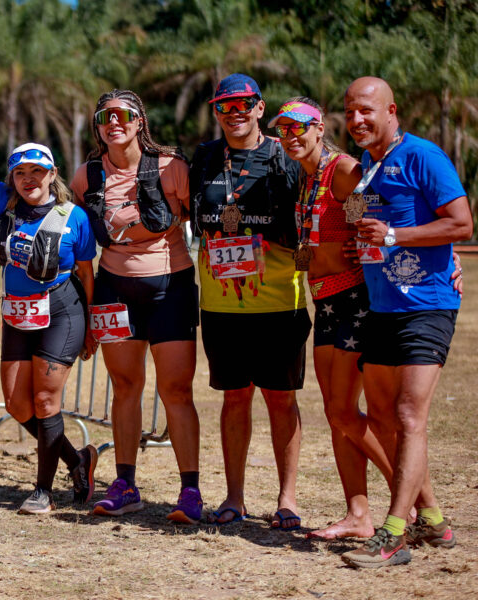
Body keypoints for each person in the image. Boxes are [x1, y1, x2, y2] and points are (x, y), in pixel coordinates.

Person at [340, 77, 471, 569]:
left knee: (410, 416)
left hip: (427, 305)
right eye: (350, 112)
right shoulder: (366, 166)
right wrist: (362, 241)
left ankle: (394, 534)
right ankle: (432, 518)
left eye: (366, 110)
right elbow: (365, 224)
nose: (357, 120)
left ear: (391, 111)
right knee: (382, 419)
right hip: (383, 308)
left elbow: (462, 223)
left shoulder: (423, 156)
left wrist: (395, 235)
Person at [72, 90, 204, 523]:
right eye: (105, 117)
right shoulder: (87, 176)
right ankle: (125, 484)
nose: (114, 123)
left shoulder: (171, 167)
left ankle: (190, 491)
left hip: (170, 288)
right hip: (114, 289)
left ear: (139, 121)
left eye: (123, 115)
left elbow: (200, 216)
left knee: (176, 391)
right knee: (125, 387)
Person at [269, 97, 398, 540]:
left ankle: (415, 500)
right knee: (335, 413)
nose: (291, 136)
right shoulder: (305, 180)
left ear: (320, 128)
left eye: (299, 127)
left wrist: (364, 240)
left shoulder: (342, 170)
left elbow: (380, 208)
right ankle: (358, 514)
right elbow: (316, 239)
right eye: (284, 129)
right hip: (323, 301)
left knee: (343, 411)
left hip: (354, 299)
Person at [189, 74, 308, 528]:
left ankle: (287, 499)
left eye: (244, 104)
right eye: (225, 106)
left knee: (281, 400)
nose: (234, 112)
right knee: (234, 398)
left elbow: (336, 195)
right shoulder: (203, 158)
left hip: (279, 302)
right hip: (220, 305)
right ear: (216, 112)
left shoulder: (286, 155)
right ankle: (234, 497)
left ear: (260, 108)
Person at [0, 143, 97, 514]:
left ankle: (43, 492)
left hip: (62, 311)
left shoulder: (73, 216)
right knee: (17, 403)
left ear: (52, 174)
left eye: (37, 171)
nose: (29, 179)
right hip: (18, 314)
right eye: (20, 173)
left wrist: (91, 326)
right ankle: (77, 460)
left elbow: (87, 273)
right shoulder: (6, 212)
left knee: (45, 401)